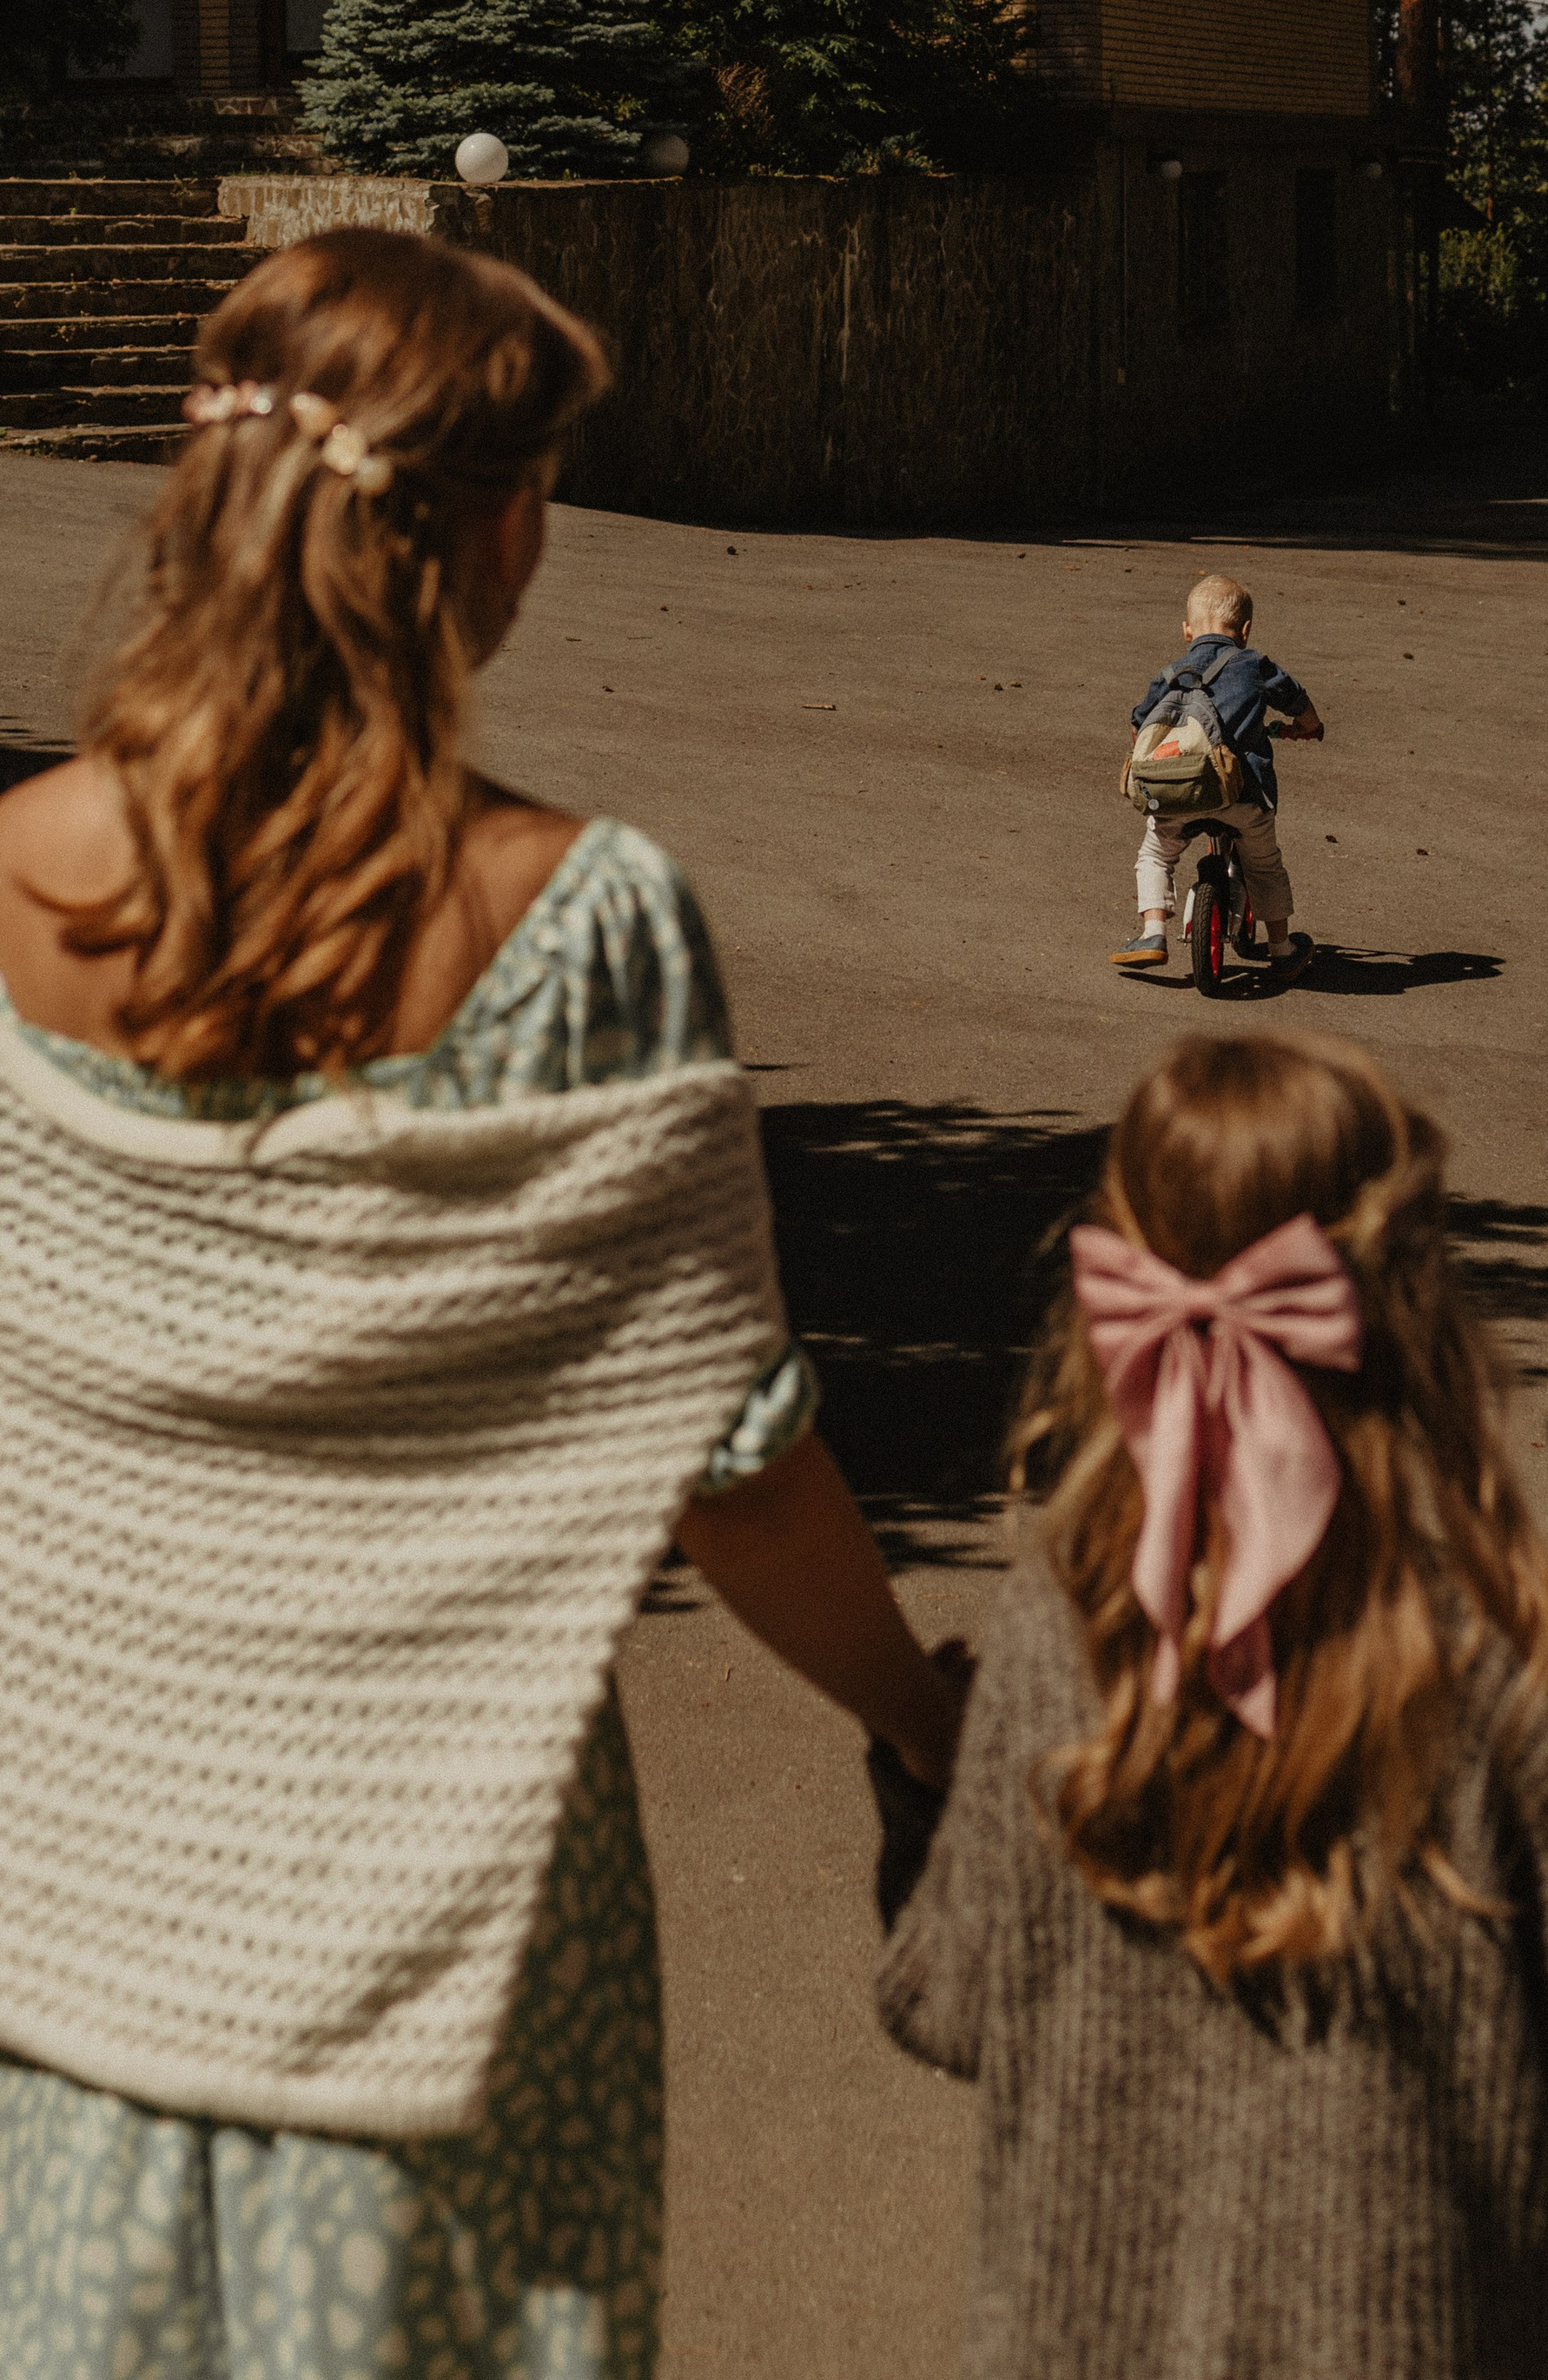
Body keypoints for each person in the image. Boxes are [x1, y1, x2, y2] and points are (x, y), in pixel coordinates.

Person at [0, 226, 964, 2380]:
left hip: (68, 1860)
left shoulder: (16, 877)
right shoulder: (579, 918)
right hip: (445, 1902)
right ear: (491, 528)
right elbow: (725, 1455)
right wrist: (918, 1717)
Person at [876, 1029, 1548, 2380]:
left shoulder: (1069, 1624)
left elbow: (950, 1997)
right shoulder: (1511, 1648)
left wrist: (918, 1786)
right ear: (1415, 1302)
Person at [1110, 570, 1323, 980]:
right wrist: (1309, 725)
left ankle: (1152, 932)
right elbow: (1296, 698)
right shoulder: (1254, 664)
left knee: (1155, 854)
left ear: (1187, 631)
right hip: (1244, 795)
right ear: (1245, 630)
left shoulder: (1170, 672)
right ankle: (1281, 949)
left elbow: (1140, 724)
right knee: (1264, 866)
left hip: (1178, 793)